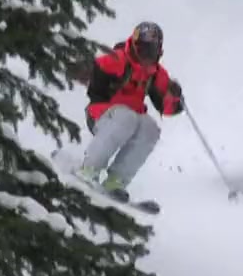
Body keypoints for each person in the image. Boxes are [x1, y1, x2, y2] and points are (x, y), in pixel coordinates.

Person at [77, 21, 183, 201]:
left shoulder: (156, 74)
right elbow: (93, 69)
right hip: (102, 113)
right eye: (142, 49)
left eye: (151, 51)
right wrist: (82, 70)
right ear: (134, 46)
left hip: (131, 120)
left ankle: (116, 180)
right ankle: (90, 169)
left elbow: (167, 108)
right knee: (126, 117)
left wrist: (174, 97)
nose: (146, 56)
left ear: (159, 51)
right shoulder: (118, 60)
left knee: (150, 128)